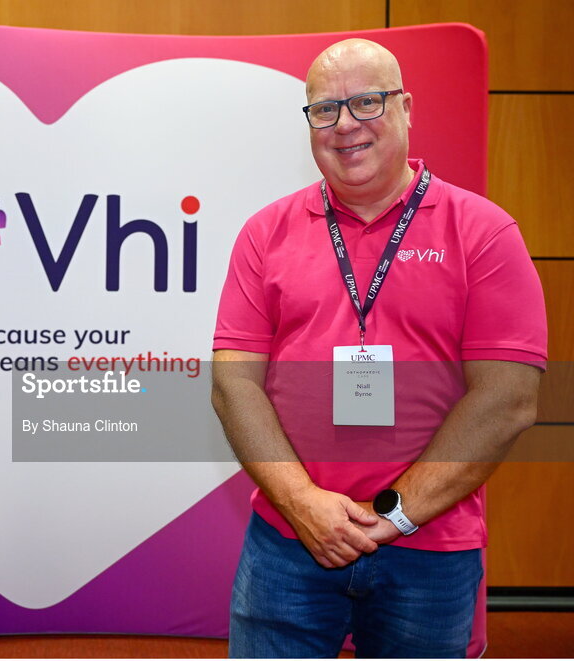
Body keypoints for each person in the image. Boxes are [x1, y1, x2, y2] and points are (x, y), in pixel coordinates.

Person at [211, 39, 546, 658]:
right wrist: (305, 504)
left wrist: (393, 515)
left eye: (368, 102)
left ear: (406, 108)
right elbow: (234, 385)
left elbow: (507, 399)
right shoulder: (265, 234)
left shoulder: (484, 233)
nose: (346, 126)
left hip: (430, 548)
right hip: (289, 541)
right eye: (325, 110)